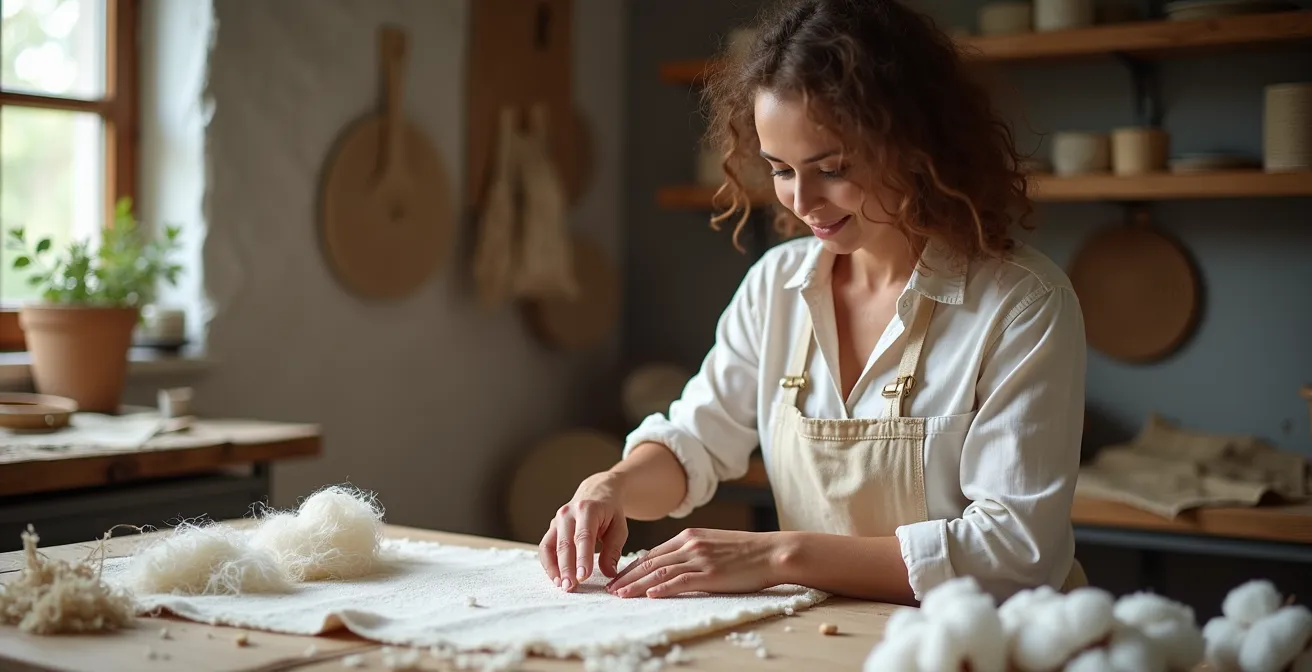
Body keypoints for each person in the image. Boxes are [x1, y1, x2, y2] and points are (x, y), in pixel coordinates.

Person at [537, 0, 1087, 606]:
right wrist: (609, 487)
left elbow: (1015, 553)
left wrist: (778, 554)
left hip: (984, 644)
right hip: (828, 635)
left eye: (831, 168)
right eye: (780, 170)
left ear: (914, 143)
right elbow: (694, 439)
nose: (804, 201)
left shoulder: (1021, 303)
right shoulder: (776, 287)